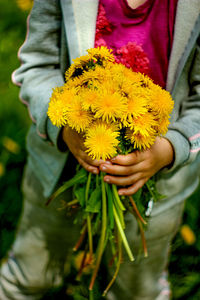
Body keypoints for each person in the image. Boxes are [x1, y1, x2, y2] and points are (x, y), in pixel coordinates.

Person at [0, 0, 200, 299]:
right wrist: (64, 127)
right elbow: (37, 66)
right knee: (32, 270)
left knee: (137, 288)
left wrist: (170, 148)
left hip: (159, 182)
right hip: (57, 171)